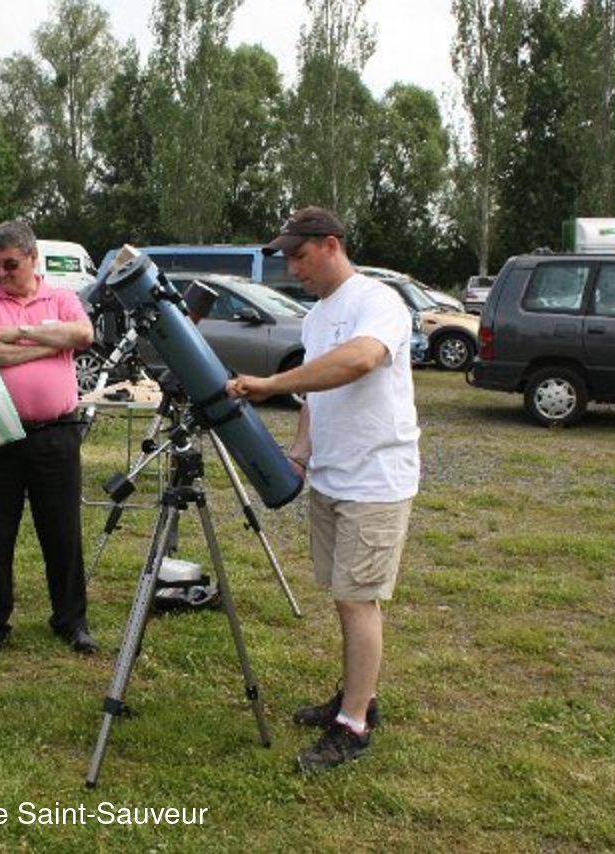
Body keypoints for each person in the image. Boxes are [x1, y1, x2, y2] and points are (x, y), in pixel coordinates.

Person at [226, 206, 420, 772]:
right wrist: (299, 454)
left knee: (359, 599)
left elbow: (359, 360)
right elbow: (317, 395)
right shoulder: (315, 318)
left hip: (375, 478)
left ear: (331, 244)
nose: (292, 268)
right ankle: (358, 695)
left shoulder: (378, 301)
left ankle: (354, 725)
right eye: (287, 257)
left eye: (299, 255)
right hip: (332, 474)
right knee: (344, 593)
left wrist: (272, 383)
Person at [0, 220, 98, 663]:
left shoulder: (61, 297)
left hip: (55, 433)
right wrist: (49, 342)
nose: (1, 274)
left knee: (62, 531)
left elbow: (83, 335)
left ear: (33, 258)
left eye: (10, 265)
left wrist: (18, 333)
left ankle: (71, 620)